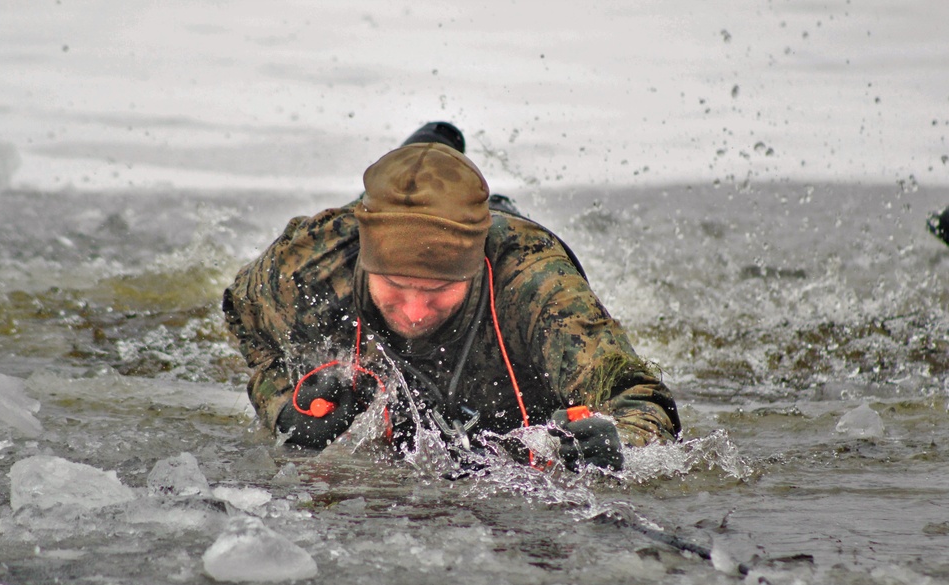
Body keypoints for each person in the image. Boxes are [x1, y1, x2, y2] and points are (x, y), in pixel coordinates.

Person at [222, 122, 680, 472]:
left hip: (502, 236)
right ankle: (422, 151)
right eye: (395, 286)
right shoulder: (311, 262)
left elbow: (640, 399)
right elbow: (245, 324)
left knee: (504, 221)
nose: (416, 311)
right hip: (356, 229)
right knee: (388, 196)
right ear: (365, 262)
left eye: (439, 289)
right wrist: (282, 408)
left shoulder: (534, 281)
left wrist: (616, 443)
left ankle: (494, 204)